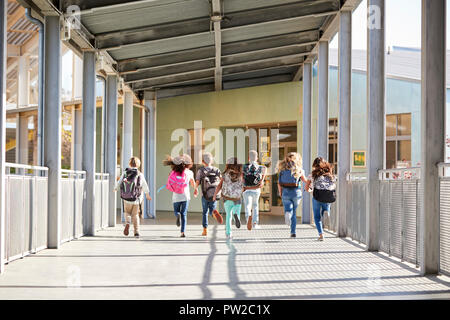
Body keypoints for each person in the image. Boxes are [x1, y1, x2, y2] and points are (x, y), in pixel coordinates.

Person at [115, 156, 152, 238]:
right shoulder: (140, 174)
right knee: (135, 215)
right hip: (137, 198)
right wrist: (147, 194)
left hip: (126, 198)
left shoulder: (125, 173)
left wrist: (116, 188)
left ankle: (127, 223)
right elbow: (144, 185)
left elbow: (119, 182)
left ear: (129, 164)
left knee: (127, 212)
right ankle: (136, 231)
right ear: (138, 165)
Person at [162, 154, 195, 238]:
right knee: (184, 214)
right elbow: (193, 184)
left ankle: (177, 215)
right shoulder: (189, 172)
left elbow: (170, 182)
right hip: (186, 196)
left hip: (176, 196)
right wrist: (196, 189)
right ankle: (182, 232)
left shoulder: (172, 172)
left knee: (176, 211)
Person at [305, 157, 336, 241]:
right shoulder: (329, 174)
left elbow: (307, 187)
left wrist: (311, 190)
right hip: (328, 195)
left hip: (317, 196)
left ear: (314, 165)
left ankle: (321, 234)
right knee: (326, 207)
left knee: (317, 217)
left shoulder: (312, 174)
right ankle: (327, 213)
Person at [277, 152, 308, 238]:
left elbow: (279, 183)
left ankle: (287, 214)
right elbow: (305, 180)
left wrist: (280, 192)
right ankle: (293, 232)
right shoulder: (299, 169)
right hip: (296, 192)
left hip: (286, 192)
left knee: (288, 209)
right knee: (294, 212)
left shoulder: (282, 169)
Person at [213, 157, 244, 239]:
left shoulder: (225, 174)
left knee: (228, 216)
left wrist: (215, 195)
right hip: (237, 198)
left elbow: (219, 186)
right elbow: (244, 186)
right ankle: (236, 215)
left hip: (227, 198)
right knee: (236, 213)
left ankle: (228, 233)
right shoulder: (241, 174)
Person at [194, 152, 224, 236]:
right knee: (212, 210)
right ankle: (214, 213)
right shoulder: (216, 170)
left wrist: (195, 189)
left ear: (203, 161)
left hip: (204, 194)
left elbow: (197, 181)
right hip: (214, 194)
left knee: (204, 212)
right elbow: (222, 181)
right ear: (212, 161)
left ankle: (205, 230)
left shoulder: (201, 170)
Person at [242, 150, 266, 230]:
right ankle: (255, 223)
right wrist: (262, 180)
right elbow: (264, 171)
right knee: (255, 206)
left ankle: (248, 218)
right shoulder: (260, 167)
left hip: (246, 189)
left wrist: (243, 186)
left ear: (249, 158)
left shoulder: (244, 167)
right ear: (257, 158)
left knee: (247, 206)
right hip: (256, 189)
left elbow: (241, 178)